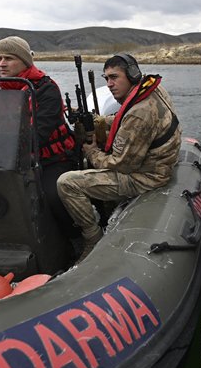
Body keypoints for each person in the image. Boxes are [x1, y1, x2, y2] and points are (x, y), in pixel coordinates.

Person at [58, 53, 181, 263]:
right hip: (158, 164)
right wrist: (100, 121)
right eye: (106, 79)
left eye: (114, 77)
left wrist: (91, 152)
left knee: (67, 183)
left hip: (145, 177)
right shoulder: (151, 90)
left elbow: (121, 165)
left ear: (132, 75)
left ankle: (92, 237)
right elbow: (123, 118)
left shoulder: (139, 113)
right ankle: (107, 211)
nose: (109, 84)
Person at [0, 36, 78, 233]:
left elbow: (40, 133)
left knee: (52, 196)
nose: (2, 64)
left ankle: (74, 236)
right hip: (13, 158)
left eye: (8, 58)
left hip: (52, 159)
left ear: (24, 61)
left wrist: (4, 147)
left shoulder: (46, 88)